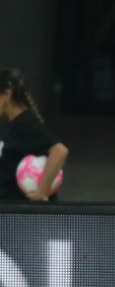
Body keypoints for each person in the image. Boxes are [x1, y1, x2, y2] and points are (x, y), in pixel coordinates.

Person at [0, 69, 69, 202]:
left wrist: (41, 192)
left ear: (7, 94)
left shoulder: (26, 125)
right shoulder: (11, 126)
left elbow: (60, 151)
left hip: (20, 210)